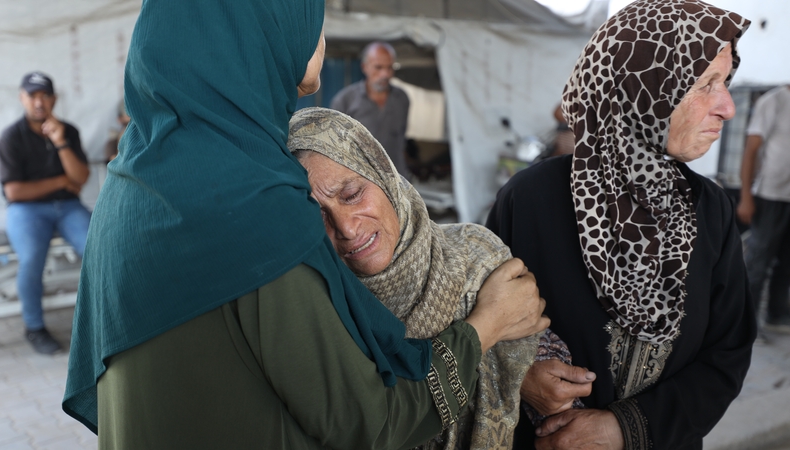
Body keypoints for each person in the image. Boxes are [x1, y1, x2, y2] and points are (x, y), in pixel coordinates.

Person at [62, 1, 547, 448]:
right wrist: (486, 327)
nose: (317, 33)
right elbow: (368, 421)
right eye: (307, 14)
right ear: (261, 25)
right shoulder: (250, 202)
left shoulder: (129, 187)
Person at [486, 1, 757, 449]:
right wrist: (520, 375)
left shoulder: (711, 210)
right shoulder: (531, 199)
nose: (726, 107)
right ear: (643, 87)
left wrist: (622, 428)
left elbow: (727, 354)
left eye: (725, 82)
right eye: (706, 84)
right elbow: (482, 325)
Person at [289, 107, 563, 449]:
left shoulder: (476, 255)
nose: (346, 227)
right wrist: (488, 328)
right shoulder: (306, 304)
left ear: (383, 175)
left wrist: (524, 374)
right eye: (318, 216)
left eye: (352, 195)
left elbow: (544, 358)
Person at [0, 71, 91, 355]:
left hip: (68, 207)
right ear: (22, 98)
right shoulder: (11, 137)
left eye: (45, 95)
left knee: (98, 249)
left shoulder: (69, 130)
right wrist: (62, 181)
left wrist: (61, 142)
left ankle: (104, 319)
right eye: (33, 95)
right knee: (32, 259)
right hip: (27, 210)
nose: (39, 102)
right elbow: (14, 192)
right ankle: (34, 327)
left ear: (54, 98)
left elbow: (82, 177)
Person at [737, 84, 790, 333]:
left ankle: (776, 316)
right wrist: (746, 196)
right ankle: (743, 324)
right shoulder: (774, 101)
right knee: (758, 262)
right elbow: (751, 150)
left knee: (787, 264)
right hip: (770, 197)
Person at [330, 41, 412, 179]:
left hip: (396, 178)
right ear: (364, 67)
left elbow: (400, 140)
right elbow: (334, 146)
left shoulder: (402, 99)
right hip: (359, 178)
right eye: (378, 67)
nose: (385, 74)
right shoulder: (345, 100)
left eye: (390, 67)